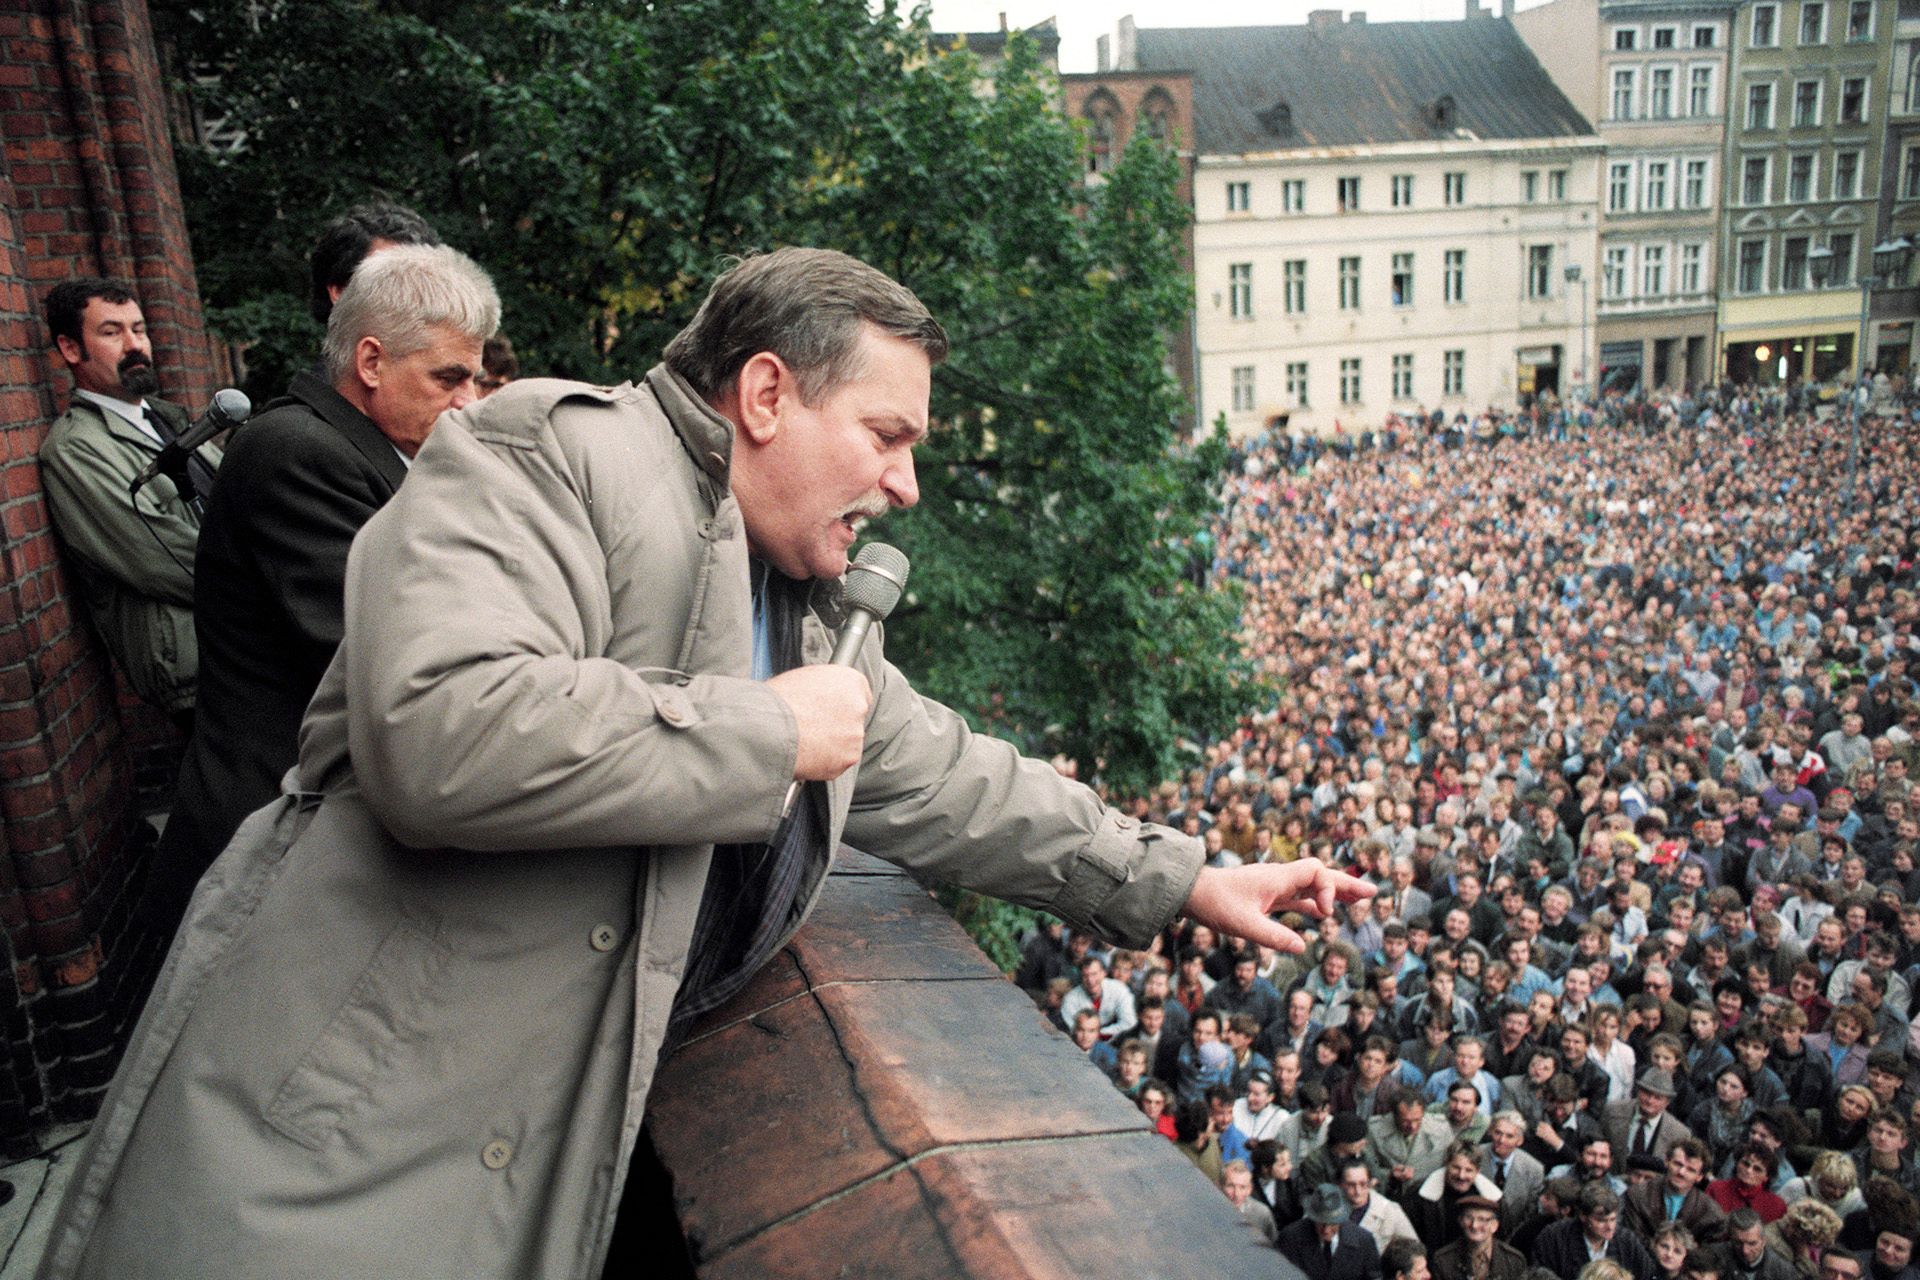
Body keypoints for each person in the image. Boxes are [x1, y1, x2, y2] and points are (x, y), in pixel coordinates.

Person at [39, 247, 1375, 1279]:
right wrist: (770, 734)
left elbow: (950, 775)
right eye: (889, 437)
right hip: (320, 1165)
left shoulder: (796, 594)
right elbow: (437, 725)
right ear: (767, 394)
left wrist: (1185, 879)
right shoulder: (544, 454)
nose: (907, 486)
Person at [146, 243, 500, 940]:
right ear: (370, 362)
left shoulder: (356, 448)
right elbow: (391, 657)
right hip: (264, 846)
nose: (467, 402)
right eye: (448, 378)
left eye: (473, 379)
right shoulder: (296, 452)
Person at [38, 279, 222, 732]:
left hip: (243, 640)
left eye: (138, 330)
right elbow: (159, 556)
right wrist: (270, 576)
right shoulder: (76, 449)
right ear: (71, 348)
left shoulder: (165, 419)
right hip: (200, 664)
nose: (134, 345)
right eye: (111, 332)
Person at [1534, 1183, 1657, 1280]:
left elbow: (1648, 1274)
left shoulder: (1626, 1240)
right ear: (1583, 1216)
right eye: (1601, 1221)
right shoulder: (1554, 1237)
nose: (1610, 1227)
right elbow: (1540, 1275)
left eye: (1613, 1219)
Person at [1623, 1140, 1726, 1244]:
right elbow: (1631, 1239)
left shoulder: (1711, 1213)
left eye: (1690, 1170)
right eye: (1677, 1164)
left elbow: (1707, 1251)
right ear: (1667, 1161)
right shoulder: (1637, 1194)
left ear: (1699, 1176)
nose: (1681, 1172)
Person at [1280, 1182, 1384, 1280]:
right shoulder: (1290, 1238)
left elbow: (1374, 1277)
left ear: (1341, 1219)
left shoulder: (1364, 1241)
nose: (1326, 1230)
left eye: (1332, 1223)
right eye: (1321, 1223)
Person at [1432, 1195, 1529, 1280]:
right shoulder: (1443, 1261)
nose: (1474, 1225)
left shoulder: (1513, 1261)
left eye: (1482, 1219)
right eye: (1468, 1218)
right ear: (1460, 1221)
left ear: (1494, 1226)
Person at [1223, 1158, 1279, 1245]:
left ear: (1249, 1189)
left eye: (1242, 1187)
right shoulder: (1209, 1211)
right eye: (1230, 1186)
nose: (1236, 1194)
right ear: (1220, 1186)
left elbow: (1273, 1246)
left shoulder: (1262, 1214)